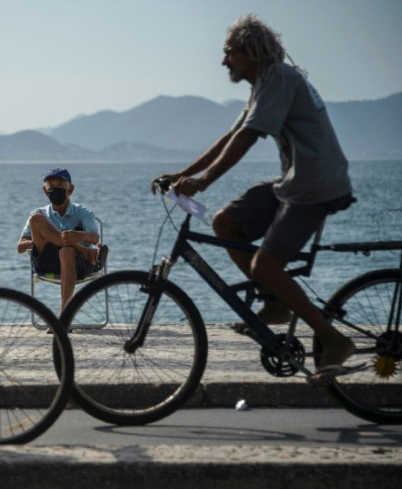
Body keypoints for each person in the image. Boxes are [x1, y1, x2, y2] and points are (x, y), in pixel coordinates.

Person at [151, 14, 355, 382]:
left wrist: (204, 182)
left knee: (265, 266)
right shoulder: (265, 83)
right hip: (294, 183)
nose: (223, 61)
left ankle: (333, 339)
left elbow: (248, 139)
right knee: (225, 222)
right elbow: (232, 136)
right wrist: (184, 174)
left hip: (315, 187)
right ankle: (275, 302)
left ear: (250, 53)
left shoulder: (278, 79)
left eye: (229, 53)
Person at [18, 168, 107, 313]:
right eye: (51, 186)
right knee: (36, 219)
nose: (55, 189)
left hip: (77, 264)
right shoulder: (40, 213)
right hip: (47, 263)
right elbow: (20, 246)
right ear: (45, 190)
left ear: (70, 189)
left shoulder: (83, 213)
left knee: (66, 251)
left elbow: (95, 237)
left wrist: (80, 236)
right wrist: (46, 238)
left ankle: (64, 314)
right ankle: (85, 251)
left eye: (60, 185)